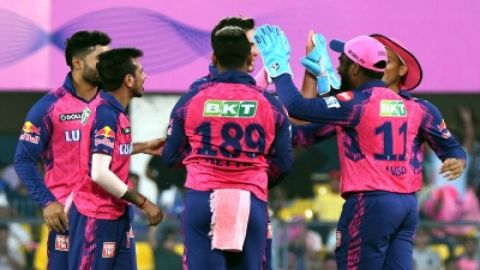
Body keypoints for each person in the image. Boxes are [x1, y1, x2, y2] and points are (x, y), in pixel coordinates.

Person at [254, 25, 467, 269]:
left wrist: (279, 67)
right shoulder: (420, 109)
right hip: (406, 206)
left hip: (370, 203)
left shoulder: (357, 105)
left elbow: (299, 115)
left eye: (385, 59)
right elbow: (303, 132)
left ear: (401, 70)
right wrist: (319, 78)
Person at [162, 26, 293, 270]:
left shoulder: (190, 100)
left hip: (202, 199)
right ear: (249, 60)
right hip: (251, 201)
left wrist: (201, 163)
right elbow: (284, 162)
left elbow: (170, 156)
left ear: (213, 58)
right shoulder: (271, 105)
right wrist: (257, 178)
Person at [67, 48, 164, 269]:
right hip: (96, 218)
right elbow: (100, 172)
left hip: (117, 215)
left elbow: (102, 151)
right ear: (128, 80)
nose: (145, 76)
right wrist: (144, 202)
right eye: (141, 70)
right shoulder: (105, 114)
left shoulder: (112, 111)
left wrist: (143, 147)